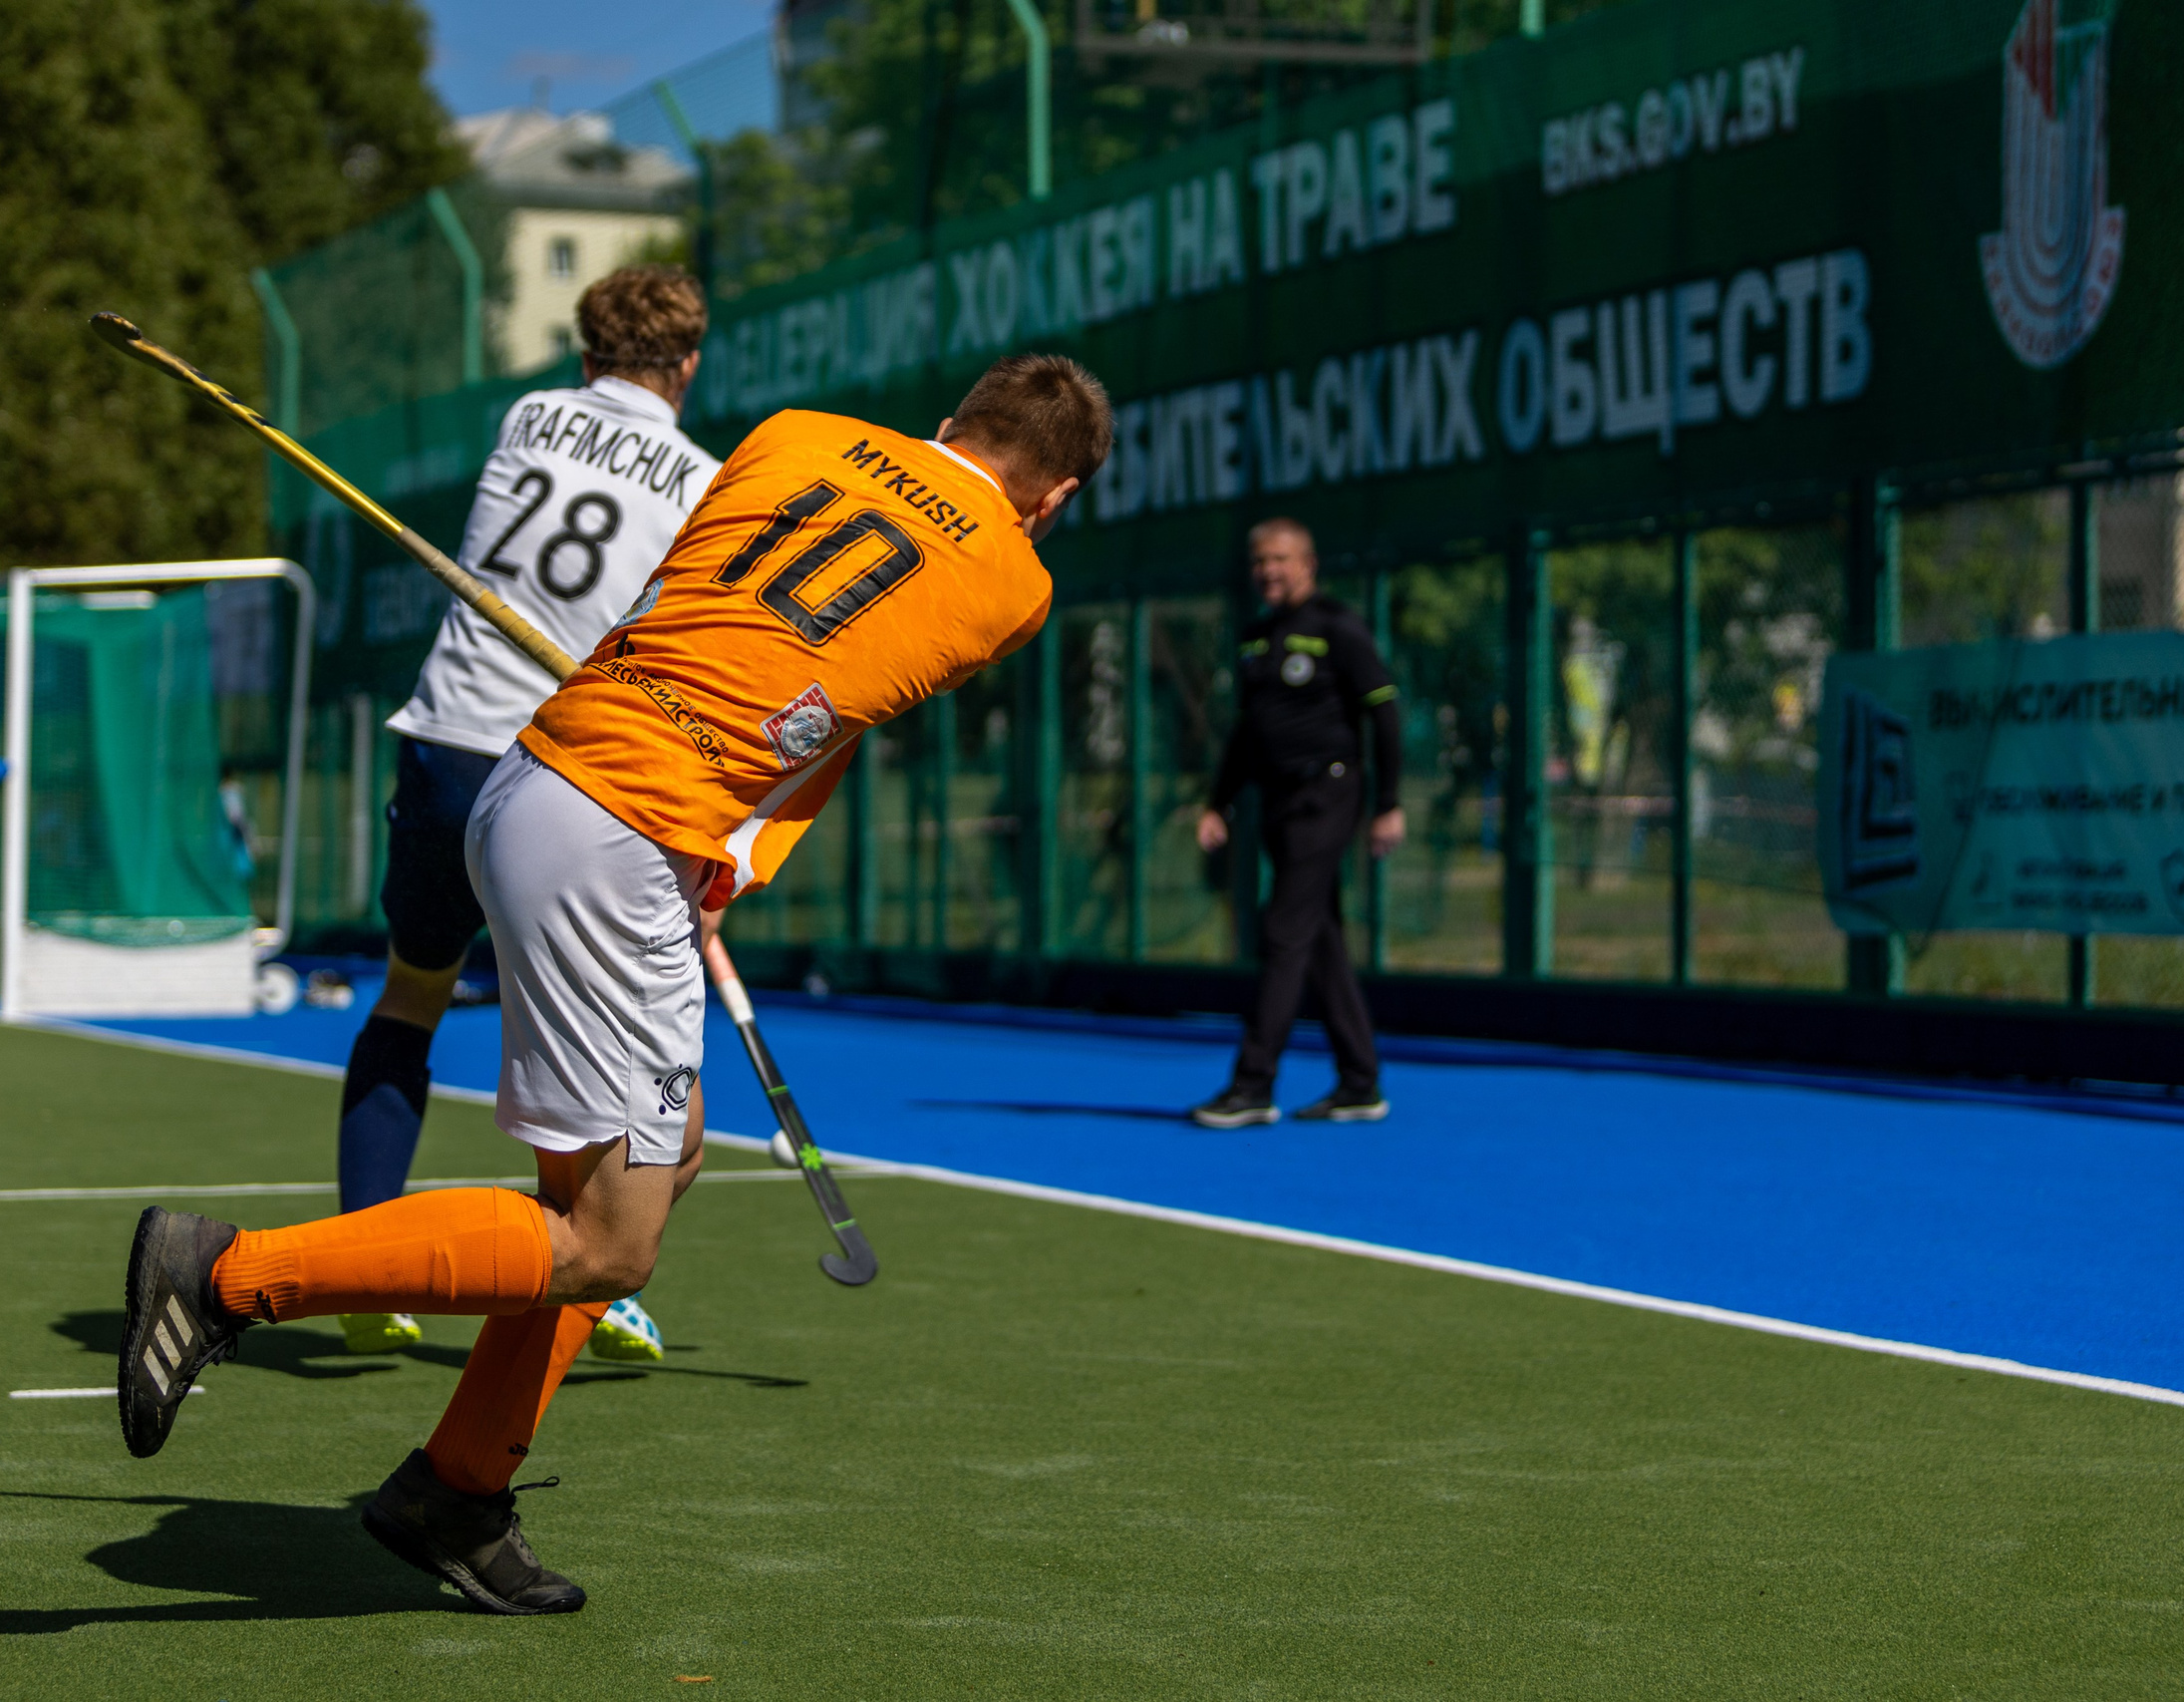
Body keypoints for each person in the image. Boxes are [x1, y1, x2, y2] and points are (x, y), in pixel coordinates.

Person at [116, 352, 1111, 1617]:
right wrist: (730, 857)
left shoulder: (795, 433)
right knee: (609, 1245)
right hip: (624, 829)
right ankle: (226, 1276)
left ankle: (458, 1492)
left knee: (655, 1160)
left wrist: (709, 848)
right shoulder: (1014, 582)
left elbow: (703, 606)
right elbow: (843, 709)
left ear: (951, 422)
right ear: (1053, 495)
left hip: (536, 779)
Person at [331, 265, 721, 1362]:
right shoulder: (705, 478)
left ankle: (369, 1262)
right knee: (597, 1036)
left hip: (451, 739)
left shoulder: (530, 414)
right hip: (568, 773)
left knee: (412, 995)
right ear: (687, 363)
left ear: (585, 350)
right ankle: (593, 1274)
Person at [1189, 517, 1404, 1129]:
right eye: (1260, 561)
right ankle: (1360, 1083)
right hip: (1279, 801)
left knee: (1283, 930)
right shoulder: (1256, 638)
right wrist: (1219, 801)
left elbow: (1384, 714)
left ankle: (1253, 1085)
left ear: (1308, 563)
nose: (1269, 571)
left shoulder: (1338, 626)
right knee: (1321, 940)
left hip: (1328, 793)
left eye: (1280, 559)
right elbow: (1247, 735)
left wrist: (1388, 802)